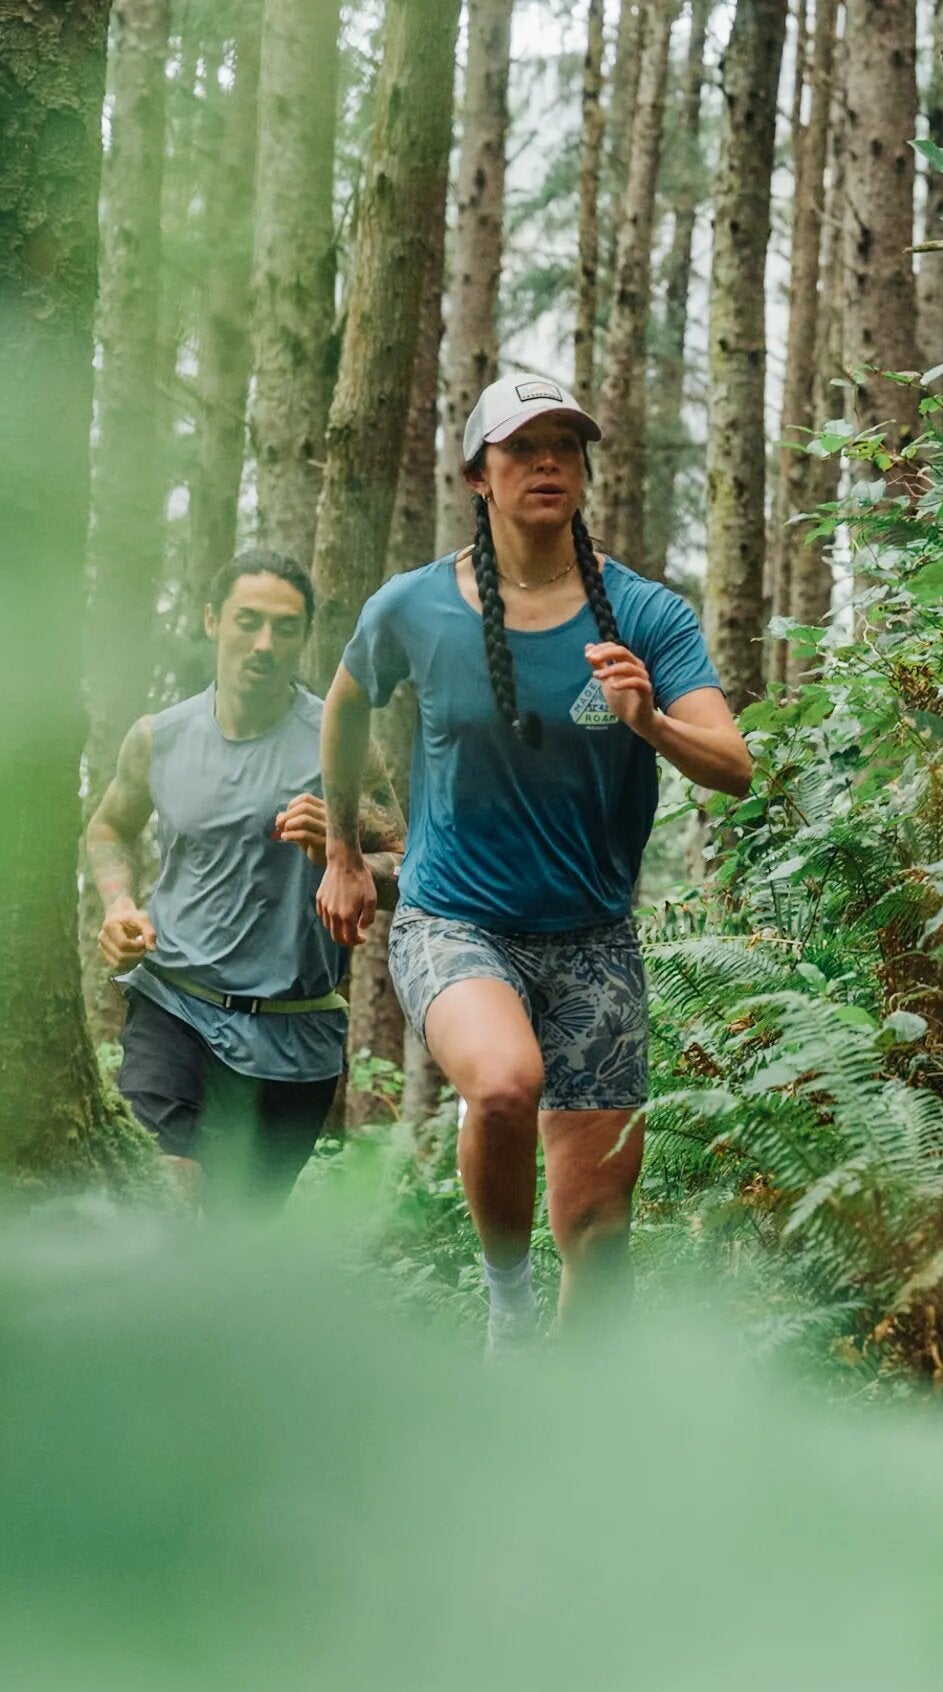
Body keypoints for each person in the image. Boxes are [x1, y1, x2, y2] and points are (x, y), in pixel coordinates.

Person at [317, 373, 752, 1346]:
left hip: (592, 941)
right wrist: (343, 852)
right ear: (479, 474)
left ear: (586, 468)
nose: (547, 461)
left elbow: (733, 767)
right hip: (454, 920)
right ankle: (506, 1305)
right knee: (505, 1084)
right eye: (522, 446)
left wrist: (650, 723)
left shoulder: (644, 615)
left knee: (597, 1242)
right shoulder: (414, 609)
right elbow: (346, 704)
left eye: (565, 442)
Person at [86, 549, 401, 1206]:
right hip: (174, 1004)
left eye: (284, 627)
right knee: (164, 1196)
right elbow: (109, 827)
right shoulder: (158, 737)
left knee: (235, 1237)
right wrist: (118, 905)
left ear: (303, 636)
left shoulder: (341, 743)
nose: (264, 643)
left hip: (296, 1031)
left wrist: (342, 852)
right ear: (212, 621)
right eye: (247, 621)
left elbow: (406, 864)